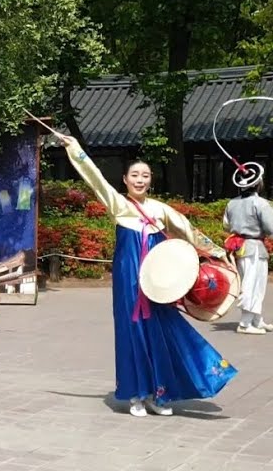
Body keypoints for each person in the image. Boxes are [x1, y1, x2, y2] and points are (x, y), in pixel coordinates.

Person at [57, 133, 237, 416]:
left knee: (162, 333)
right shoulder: (119, 206)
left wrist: (215, 252)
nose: (140, 180)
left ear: (150, 180)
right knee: (133, 333)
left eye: (145, 175)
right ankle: (136, 395)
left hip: (159, 282)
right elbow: (93, 177)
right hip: (129, 281)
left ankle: (159, 394)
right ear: (125, 180)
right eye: (135, 175)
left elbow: (188, 231)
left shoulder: (160, 210)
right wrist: (73, 147)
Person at [222, 178, 273, 334]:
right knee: (252, 284)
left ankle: (256, 320)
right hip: (254, 247)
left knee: (251, 282)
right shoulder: (261, 203)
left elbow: (226, 225)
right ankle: (245, 324)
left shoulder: (232, 203)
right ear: (258, 184)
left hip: (240, 246)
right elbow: (271, 227)